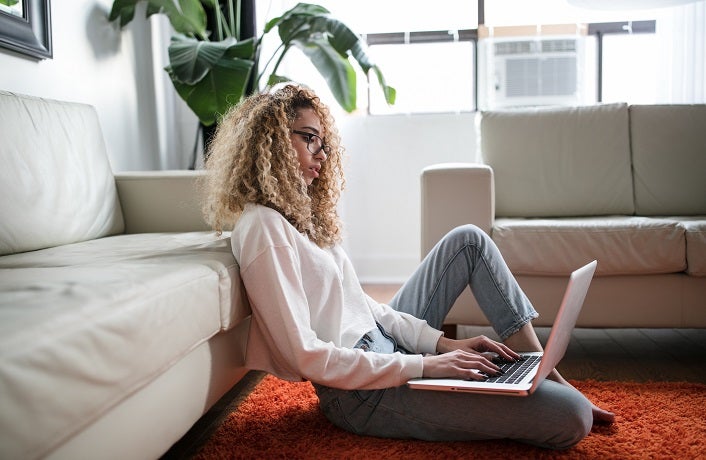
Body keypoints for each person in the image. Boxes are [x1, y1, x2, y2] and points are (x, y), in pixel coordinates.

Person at [202, 84, 614, 450]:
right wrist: (424, 365)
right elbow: (306, 356)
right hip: (360, 393)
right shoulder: (263, 227)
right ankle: (545, 385)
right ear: (270, 141)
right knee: (571, 416)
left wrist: (441, 345)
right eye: (309, 139)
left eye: (323, 143)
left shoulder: (299, 216)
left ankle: (540, 369)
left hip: (385, 348)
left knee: (468, 240)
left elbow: (364, 307)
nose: (322, 156)